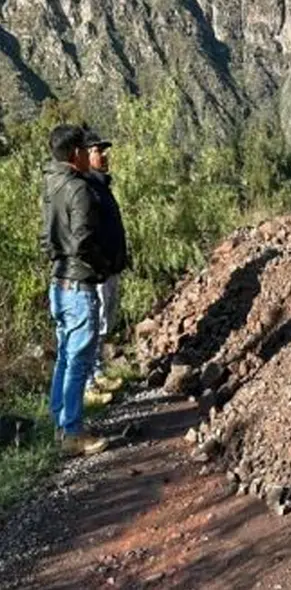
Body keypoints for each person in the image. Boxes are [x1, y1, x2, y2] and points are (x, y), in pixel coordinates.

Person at [41, 125, 111, 456]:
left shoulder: (51, 185)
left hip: (59, 283)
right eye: (85, 149)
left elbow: (47, 238)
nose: (89, 153)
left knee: (66, 356)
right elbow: (83, 238)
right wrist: (101, 265)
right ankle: (72, 433)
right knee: (79, 360)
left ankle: (60, 421)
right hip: (79, 283)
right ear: (75, 155)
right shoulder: (78, 189)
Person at [82, 128, 128, 404]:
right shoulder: (87, 189)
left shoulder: (101, 185)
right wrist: (101, 263)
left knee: (103, 323)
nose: (104, 155)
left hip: (110, 268)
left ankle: (97, 373)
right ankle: (89, 383)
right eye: (98, 151)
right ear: (86, 155)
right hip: (99, 271)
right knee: (94, 325)